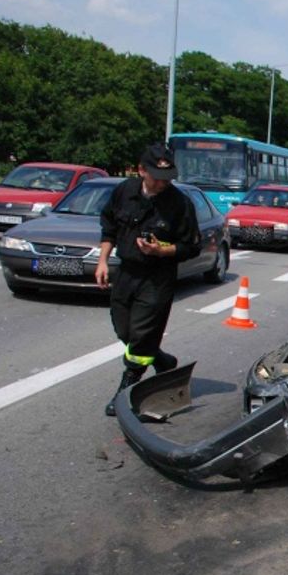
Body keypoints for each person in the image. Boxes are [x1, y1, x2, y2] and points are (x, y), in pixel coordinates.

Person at [96, 142, 200, 416]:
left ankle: (127, 390)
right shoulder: (124, 191)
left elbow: (191, 247)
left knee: (142, 336)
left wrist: (161, 251)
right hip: (126, 273)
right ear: (142, 170)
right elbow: (109, 226)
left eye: (168, 177)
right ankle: (162, 360)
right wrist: (103, 261)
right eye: (158, 177)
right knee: (124, 331)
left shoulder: (179, 203)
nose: (163, 183)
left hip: (157, 278)